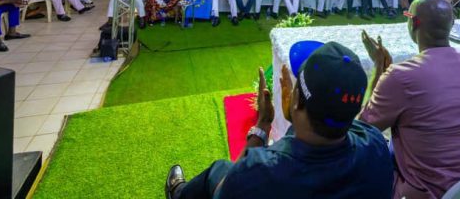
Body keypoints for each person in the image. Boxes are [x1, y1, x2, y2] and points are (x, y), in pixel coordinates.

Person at [165, 42, 394, 199]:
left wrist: (262, 126)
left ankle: (179, 193)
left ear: (296, 100)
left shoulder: (260, 170)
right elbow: (359, 122)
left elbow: (224, 191)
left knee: (219, 170)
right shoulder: (375, 146)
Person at [360, 0, 460, 198]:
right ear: (451, 25)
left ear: (413, 23)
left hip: (437, 193)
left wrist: (378, 68)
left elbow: (362, 131)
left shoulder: (401, 76)